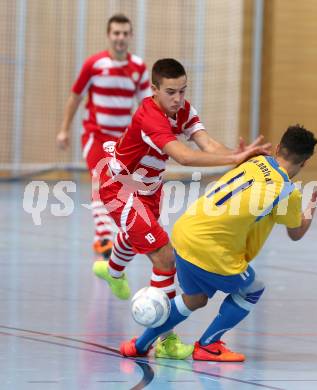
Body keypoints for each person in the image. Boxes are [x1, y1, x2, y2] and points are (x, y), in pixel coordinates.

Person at [92, 58, 271, 359]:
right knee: (164, 257)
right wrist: (232, 160)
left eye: (183, 91)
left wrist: (242, 156)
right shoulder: (150, 115)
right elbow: (185, 157)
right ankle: (164, 339)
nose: (178, 99)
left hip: (149, 187)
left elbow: (207, 144)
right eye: (171, 92)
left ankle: (112, 270)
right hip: (120, 188)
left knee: (140, 236)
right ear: (154, 90)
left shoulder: (184, 110)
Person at [119, 124, 317, 361]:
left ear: (278, 147)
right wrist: (314, 203)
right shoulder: (288, 192)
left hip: (185, 231)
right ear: (304, 163)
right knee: (253, 289)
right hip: (210, 247)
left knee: (196, 299)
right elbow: (296, 233)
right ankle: (209, 345)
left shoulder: (253, 161)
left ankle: (139, 345)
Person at [56, 13, 151, 258]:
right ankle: (105, 239)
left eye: (124, 33)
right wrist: (64, 129)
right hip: (95, 135)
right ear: (109, 36)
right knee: (99, 182)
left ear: (130, 36)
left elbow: (145, 106)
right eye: (116, 33)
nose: (120, 38)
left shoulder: (138, 67)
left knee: (119, 188)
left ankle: (110, 236)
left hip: (122, 140)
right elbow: (75, 98)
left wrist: (153, 137)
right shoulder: (94, 65)